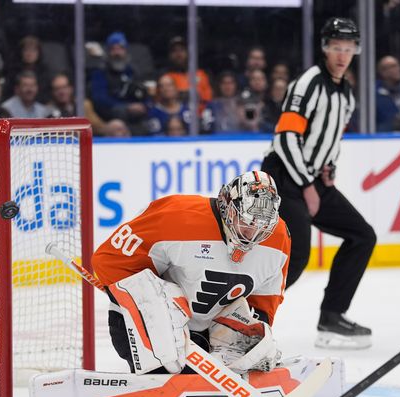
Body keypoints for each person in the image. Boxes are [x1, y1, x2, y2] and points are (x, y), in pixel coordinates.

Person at [91, 171, 289, 376]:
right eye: (246, 222)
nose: (253, 234)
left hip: (207, 337)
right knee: (167, 373)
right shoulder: (176, 216)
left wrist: (250, 334)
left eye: (262, 226)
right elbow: (107, 261)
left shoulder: (279, 238)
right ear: (228, 207)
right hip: (143, 326)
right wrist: (158, 309)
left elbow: (264, 302)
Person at [261, 17, 376, 350]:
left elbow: (329, 139)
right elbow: (285, 138)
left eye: (348, 48)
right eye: (336, 48)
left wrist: (328, 170)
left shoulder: (346, 93)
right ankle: (246, 317)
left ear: (356, 50)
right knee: (295, 257)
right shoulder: (308, 83)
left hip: (311, 178)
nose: (342, 55)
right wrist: (307, 186)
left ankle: (332, 317)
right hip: (285, 175)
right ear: (325, 48)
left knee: (362, 235)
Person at [375, 55, 400, 132]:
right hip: (384, 137)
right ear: (383, 72)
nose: (399, 69)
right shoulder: (374, 94)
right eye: (393, 66)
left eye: (398, 65)